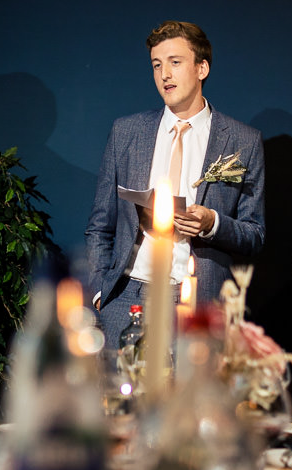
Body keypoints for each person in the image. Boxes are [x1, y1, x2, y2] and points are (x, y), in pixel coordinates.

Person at [85, 20, 265, 348]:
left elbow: (255, 235)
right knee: (123, 399)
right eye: (157, 65)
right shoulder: (127, 132)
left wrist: (213, 224)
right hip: (128, 296)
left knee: (191, 401)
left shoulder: (242, 141)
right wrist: (100, 291)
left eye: (175, 62)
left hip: (199, 302)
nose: (164, 74)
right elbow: (100, 226)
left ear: (202, 68)